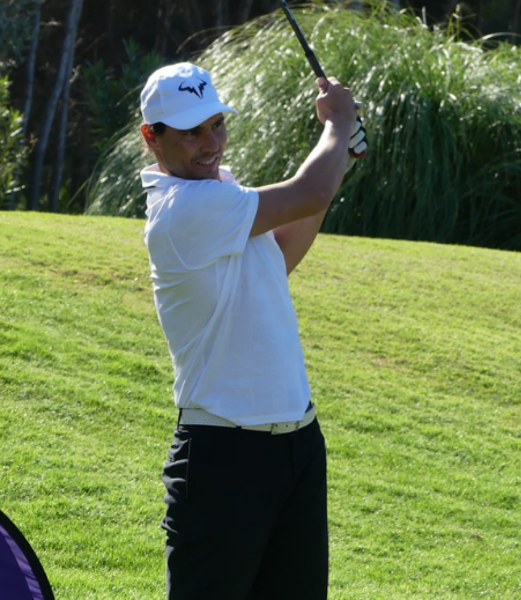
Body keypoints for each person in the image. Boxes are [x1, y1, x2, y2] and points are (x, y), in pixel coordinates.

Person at [139, 61, 366, 600]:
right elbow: (307, 191)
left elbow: (280, 254)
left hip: (297, 445)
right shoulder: (181, 210)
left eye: (216, 125)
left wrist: (343, 162)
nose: (209, 142)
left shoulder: (222, 191)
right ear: (152, 137)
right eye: (191, 131)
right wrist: (337, 125)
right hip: (223, 457)